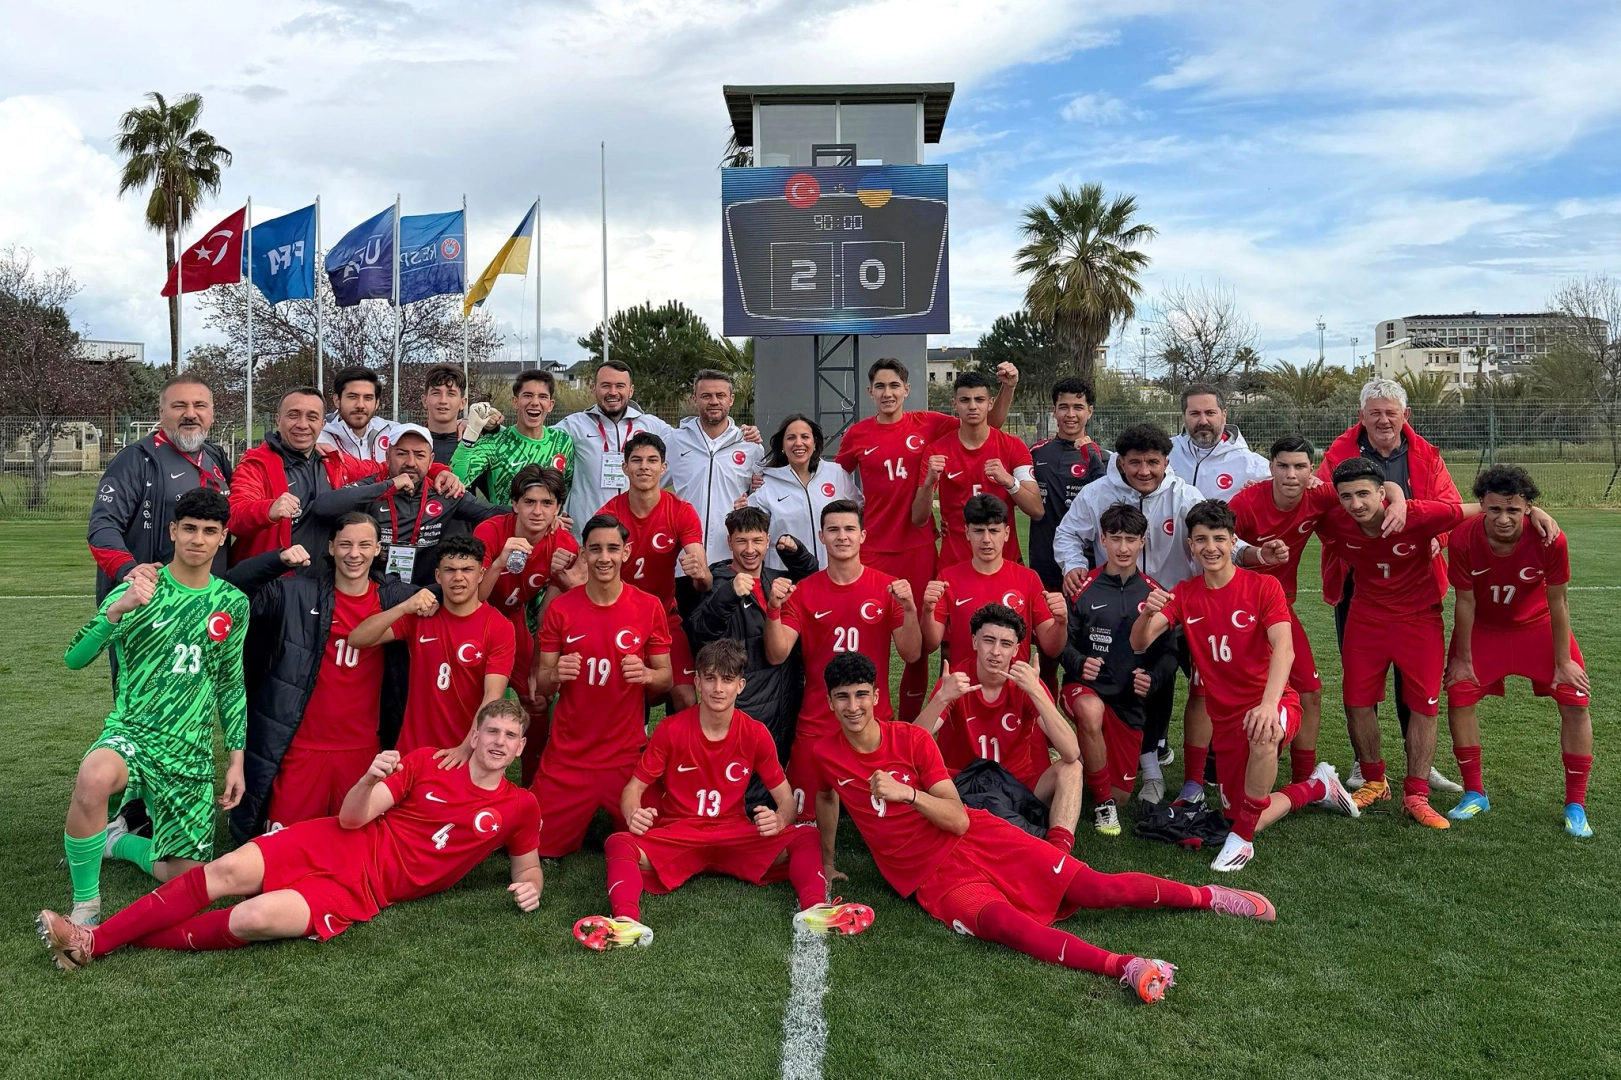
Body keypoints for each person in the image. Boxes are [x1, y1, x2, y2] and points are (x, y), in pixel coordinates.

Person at [814, 652, 1277, 1004]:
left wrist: (907, 793)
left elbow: (956, 819)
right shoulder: (824, 752)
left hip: (978, 836)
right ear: (830, 702)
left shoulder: (911, 739)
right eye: (842, 697)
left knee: (1095, 889)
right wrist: (830, 863)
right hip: (927, 877)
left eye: (861, 694)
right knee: (1001, 925)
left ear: (877, 696)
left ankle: (1209, 896)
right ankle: (1127, 966)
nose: (853, 706)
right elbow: (827, 796)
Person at [38, 700, 543, 971]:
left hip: (363, 889)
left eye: (509, 737)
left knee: (255, 916)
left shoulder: (519, 806)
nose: (498, 743)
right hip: (339, 840)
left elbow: (527, 866)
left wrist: (532, 887)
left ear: (520, 747)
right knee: (227, 871)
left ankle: (111, 939)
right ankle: (93, 941)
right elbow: (351, 820)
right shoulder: (427, 762)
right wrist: (369, 778)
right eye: (491, 732)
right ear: (474, 735)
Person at [571, 640, 874, 950]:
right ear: (698, 682)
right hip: (680, 833)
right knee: (619, 841)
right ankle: (625, 922)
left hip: (734, 833)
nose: (718, 688)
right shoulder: (671, 730)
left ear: (740, 685)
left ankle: (816, 910)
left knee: (805, 837)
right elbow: (633, 789)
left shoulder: (755, 733)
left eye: (727, 680)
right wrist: (633, 812)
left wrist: (779, 819)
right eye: (711, 678)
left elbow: (785, 801)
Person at [1313, 458, 1553, 824]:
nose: (1356, 504)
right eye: (1346, 496)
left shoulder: (1421, 515)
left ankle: (1417, 793)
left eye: (1364, 494)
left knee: (1424, 706)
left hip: (1418, 621)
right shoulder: (1333, 520)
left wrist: (1536, 512)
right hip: (1365, 619)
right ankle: (1375, 781)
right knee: (1357, 703)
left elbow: (1486, 506)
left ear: (1382, 493)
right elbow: (1289, 501)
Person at [1131, 501, 1359, 872]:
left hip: (1273, 702)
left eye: (1219, 538)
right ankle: (1318, 787)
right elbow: (1139, 643)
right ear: (1190, 545)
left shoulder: (1263, 586)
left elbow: (1284, 649)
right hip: (1226, 722)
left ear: (1233, 541)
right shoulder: (1185, 594)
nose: (1210, 547)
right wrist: (1146, 613)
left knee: (1262, 741)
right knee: (1242, 812)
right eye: (1201, 539)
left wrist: (1270, 705)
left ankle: (1242, 843)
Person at [59, 488, 249, 926]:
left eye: (209, 531)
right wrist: (118, 610)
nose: (197, 540)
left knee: (187, 880)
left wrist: (236, 761)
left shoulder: (232, 604)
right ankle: (86, 906)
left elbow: (230, 683)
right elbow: (74, 658)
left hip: (190, 751)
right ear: (172, 531)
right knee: (93, 777)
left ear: (222, 538)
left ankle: (117, 843)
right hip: (134, 733)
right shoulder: (140, 587)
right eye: (189, 529)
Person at [835, 357, 1017, 721]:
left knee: (915, 650)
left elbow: (986, 422)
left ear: (907, 390)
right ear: (870, 392)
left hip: (918, 550)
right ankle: (862, 722)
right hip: (870, 552)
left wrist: (1007, 388)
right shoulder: (857, 434)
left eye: (894, 386)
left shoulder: (929, 423)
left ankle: (908, 727)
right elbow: (832, 482)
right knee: (868, 641)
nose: (888, 393)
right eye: (880, 387)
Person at [232, 513, 421, 839]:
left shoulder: (394, 598)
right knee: (284, 849)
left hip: (362, 750)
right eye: (345, 544)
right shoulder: (295, 594)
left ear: (378, 549)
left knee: (352, 845)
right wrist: (276, 560)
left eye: (364, 545)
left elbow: (457, 594)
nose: (354, 554)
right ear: (331, 547)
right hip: (303, 748)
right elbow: (233, 589)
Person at [1317, 378, 1463, 794]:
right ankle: (1367, 766)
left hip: (1415, 586)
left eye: (1391, 413)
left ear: (1405, 417)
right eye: (1375, 413)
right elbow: (1322, 507)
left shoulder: (1426, 455)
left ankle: (1420, 764)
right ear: (1361, 417)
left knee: (1415, 682)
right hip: (1356, 585)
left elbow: (1450, 506)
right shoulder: (1338, 455)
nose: (1383, 420)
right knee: (1361, 680)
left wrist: (1439, 536)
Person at [1052, 423, 1211, 803]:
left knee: (1164, 675)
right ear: (1120, 462)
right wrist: (1073, 565)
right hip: (1109, 601)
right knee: (1119, 675)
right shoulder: (1097, 493)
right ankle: (1115, 748)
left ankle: (1161, 753)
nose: (1144, 471)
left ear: (1166, 462)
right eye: (1135, 462)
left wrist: (1250, 555)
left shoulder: (1184, 494)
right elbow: (1067, 534)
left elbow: (1211, 533)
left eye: (1153, 462)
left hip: (1171, 606)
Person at [1443, 466, 1593, 836]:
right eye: (1495, 510)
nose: (1504, 518)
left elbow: (1558, 603)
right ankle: (1475, 793)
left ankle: (1576, 803)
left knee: (1575, 699)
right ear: (1481, 506)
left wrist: (1563, 661)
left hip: (1537, 627)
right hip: (1486, 630)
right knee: (1459, 694)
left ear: (1528, 507)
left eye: (1513, 509)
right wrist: (1462, 657)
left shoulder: (1549, 539)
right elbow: (1464, 602)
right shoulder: (1462, 538)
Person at [763, 500, 922, 834]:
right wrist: (774, 610)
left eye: (849, 529)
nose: (842, 537)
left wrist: (909, 610)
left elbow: (911, 653)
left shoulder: (887, 587)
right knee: (799, 825)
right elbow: (777, 654)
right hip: (818, 722)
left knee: (898, 824)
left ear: (863, 535)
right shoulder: (804, 591)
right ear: (821, 536)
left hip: (874, 722)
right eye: (833, 530)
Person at [530, 513, 673, 858]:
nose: (604, 557)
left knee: (656, 844)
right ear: (584, 554)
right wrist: (556, 674)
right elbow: (544, 687)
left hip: (626, 756)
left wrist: (647, 675)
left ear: (626, 553)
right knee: (536, 846)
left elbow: (666, 677)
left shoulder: (648, 606)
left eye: (612, 548)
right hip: (569, 755)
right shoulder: (561, 610)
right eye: (595, 549)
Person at [914, 604, 1083, 847]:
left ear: (1016, 650)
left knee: (1072, 769)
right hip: (966, 785)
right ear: (974, 642)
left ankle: (1058, 854)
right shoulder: (957, 681)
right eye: (988, 640)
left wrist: (1037, 693)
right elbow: (913, 741)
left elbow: (1071, 752)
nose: (995, 651)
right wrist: (942, 698)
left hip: (1019, 786)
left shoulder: (1026, 683)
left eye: (1005, 644)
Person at [1058, 503, 1179, 836]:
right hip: (1084, 690)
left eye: (1130, 539)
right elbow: (1059, 645)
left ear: (1143, 541)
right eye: (1115, 538)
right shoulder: (1080, 589)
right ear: (1102, 540)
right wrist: (1079, 663)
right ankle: (1102, 806)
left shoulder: (1156, 594)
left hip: (1128, 704)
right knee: (1090, 710)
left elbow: (1170, 654)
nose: (1123, 548)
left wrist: (1153, 678)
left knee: (1123, 795)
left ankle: (1077, 766)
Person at [1222, 435, 1330, 792]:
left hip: (1280, 609)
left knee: (1310, 689)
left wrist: (1391, 493)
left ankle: (1305, 778)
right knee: (1219, 693)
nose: (1291, 474)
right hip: (1237, 608)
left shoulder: (1319, 495)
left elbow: (1365, 492)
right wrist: (1257, 553)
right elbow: (1220, 539)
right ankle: (1206, 771)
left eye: (1300, 467)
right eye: (1283, 466)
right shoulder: (1248, 500)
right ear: (1270, 468)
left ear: (1311, 470)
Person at [686, 506, 819, 793]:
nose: (750, 549)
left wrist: (796, 554)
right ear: (729, 542)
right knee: (741, 770)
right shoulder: (716, 581)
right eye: (742, 541)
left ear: (767, 541)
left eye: (757, 541)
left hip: (785, 694)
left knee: (775, 764)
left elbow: (813, 578)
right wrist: (728, 593)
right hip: (747, 698)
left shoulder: (775, 576)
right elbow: (700, 633)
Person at [346, 535, 516, 760]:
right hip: (412, 751)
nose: (458, 578)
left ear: (481, 575)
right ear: (438, 575)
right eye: (449, 570)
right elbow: (357, 639)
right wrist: (404, 607)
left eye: (467, 569)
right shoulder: (420, 615)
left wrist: (467, 748)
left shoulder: (499, 627)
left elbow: (492, 696)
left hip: (464, 753)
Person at [89, 375, 232, 614]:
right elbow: (102, 526)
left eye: (199, 405)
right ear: (161, 412)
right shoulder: (134, 460)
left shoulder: (215, 457)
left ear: (211, 413)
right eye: (179, 406)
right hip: (151, 606)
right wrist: (128, 569)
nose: (190, 414)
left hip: (207, 603)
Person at [474, 465, 578, 784]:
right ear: (515, 504)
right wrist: (498, 564)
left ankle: (533, 785)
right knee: (466, 700)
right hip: (476, 619)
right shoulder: (490, 531)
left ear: (558, 508)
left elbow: (551, 612)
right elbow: (474, 598)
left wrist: (536, 667)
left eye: (546, 504)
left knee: (537, 699)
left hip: (513, 619)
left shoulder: (564, 544)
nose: (537, 511)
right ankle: (461, 782)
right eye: (529, 502)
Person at [228, 386, 406, 564]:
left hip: (324, 583)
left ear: (322, 424)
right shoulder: (256, 464)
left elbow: (383, 469)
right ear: (278, 420)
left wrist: (433, 470)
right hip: (275, 584)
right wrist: (269, 509)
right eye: (293, 415)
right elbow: (234, 517)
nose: (303, 425)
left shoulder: (333, 461)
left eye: (312, 417)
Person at [597, 432, 709, 709]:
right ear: (625, 468)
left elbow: (703, 580)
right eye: (636, 460)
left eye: (652, 460)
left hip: (664, 616)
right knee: (624, 697)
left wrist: (699, 573)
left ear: (663, 468)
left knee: (684, 697)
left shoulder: (681, 511)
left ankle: (679, 751)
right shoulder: (608, 516)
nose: (644, 467)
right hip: (619, 615)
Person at [340, 424, 499, 587]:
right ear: (387, 456)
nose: (410, 462)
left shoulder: (444, 490)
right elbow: (322, 506)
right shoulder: (371, 488)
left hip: (426, 598)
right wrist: (388, 486)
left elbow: (492, 512)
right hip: (374, 595)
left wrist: (522, 506)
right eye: (401, 454)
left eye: (419, 455)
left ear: (431, 461)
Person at [922, 494, 1065, 669]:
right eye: (979, 530)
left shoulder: (1028, 579)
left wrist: (1061, 623)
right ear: (967, 532)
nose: (986, 540)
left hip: (1014, 685)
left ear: (1006, 533)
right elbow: (930, 645)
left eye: (994, 531)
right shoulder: (948, 578)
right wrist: (928, 611)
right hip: (966, 686)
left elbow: (1051, 648)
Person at [915, 371, 1041, 570]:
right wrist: (930, 482)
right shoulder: (936, 451)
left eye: (979, 399)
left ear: (990, 404)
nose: (972, 406)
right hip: (955, 567)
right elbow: (918, 518)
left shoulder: (1013, 446)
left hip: (1005, 565)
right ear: (954, 405)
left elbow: (1036, 509)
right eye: (965, 400)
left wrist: (1009, 481)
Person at [1029, 377, 1107, 689]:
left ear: (1090, 411)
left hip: (1088, 571)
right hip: (1046, 567)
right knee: (1047, 651)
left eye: (1078, 407)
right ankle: (1046, 731)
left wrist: (1094, 459)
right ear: (1054, 411)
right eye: (1064, 407)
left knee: (1088, 650)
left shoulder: (1104, 457)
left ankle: (1084, 717)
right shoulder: (1036, 453)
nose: (1070, 414)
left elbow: (1110, 506)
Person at [665, 368, 765, 604]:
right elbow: (648, 486)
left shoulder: (751, 446)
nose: (714, 401)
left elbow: (763, 497)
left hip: (732, 563)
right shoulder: (675, 441)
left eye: (720, 395)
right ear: (694, 399)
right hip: (684, 562)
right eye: (706, 395)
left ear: (730, 400)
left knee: (729, 637)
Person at [556, 360, 678, 538]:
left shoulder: (653, 425)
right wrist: (499, 428)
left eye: (620, 386)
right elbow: (535, 440)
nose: (613, 392)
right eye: (606, 386)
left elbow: (691, 447)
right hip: (586, 538)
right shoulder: (574, 425)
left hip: (637, 537)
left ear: (631, 390)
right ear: (594, 388)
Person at [452, 368, 576, 507]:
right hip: (507, 527)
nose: (535, 402)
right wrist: (472, 432)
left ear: (550, 405)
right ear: (515, 402)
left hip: (549, 529)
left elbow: (565, 490)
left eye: (542, 396)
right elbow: (456, 481)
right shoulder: (495, 442)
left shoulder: (562, 442)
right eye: (528, 395)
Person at [750, 414, 861, 569]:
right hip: (786, 580)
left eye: (805, 437)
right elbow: (753, 534)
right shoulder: (765, 483)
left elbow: (860, 511)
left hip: (832, 576)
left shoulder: (835, 474)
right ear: (782, 445)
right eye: (791, 438)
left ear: (814, 443)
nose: (798, 443)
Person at [1168, 384, 1271, 501]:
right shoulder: (1164, 453)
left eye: (1210, 413)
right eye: (1195, 413)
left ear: (1224, 416)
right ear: (1184, 417)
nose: (1203, 421)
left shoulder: (1254, 466)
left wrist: (1263, 497)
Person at [317, 367, 403, 464]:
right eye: (352, 397)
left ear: (377, 403)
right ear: (337, 400)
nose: (360, 405)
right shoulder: (318, 437)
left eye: (368, 398)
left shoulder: (394, 432)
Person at [419, 364, 470, 466]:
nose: (443, 401)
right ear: (424, 400)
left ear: (462, 403)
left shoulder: (475, 444)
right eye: (436, 393)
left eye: (451, 394)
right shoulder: (410, 444)